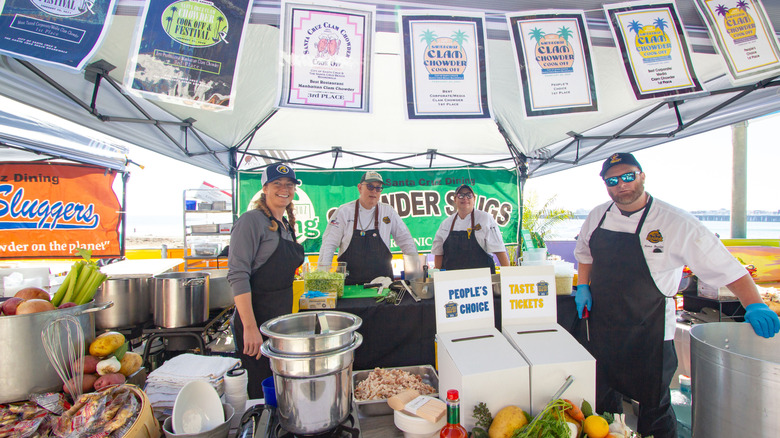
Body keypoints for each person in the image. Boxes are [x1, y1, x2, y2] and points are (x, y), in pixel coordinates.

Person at [574, 152, 779, 438]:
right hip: (603, 327)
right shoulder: (598, 215)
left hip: (651, 332)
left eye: (628, 176)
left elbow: (725, 266)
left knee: (653, 407)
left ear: (642, 176)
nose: (621, 184)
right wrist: (583, 285)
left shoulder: (676, 222)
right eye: (612, 180)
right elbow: (584, 253)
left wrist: (754, 304)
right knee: (603, 401)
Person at [227, 163, 304, 399]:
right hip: (255, 322)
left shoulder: (285, 225)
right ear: (265, 188)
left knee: (279, 388)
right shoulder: (251, 221)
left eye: (289, 185)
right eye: (277, 184)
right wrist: (250, 327)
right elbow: (238, 275)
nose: (284, 189)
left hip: (279, 322)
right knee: (260, 390)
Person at [318, 171, 419, 285]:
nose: (374, 191)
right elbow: (329, 245)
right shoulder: (344, 212)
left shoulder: (388, 212)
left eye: (378, 188)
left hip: (383, 284)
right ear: (360, 188)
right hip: (349, 284)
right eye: (370, 187)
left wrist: (415, 277)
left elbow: (406, 240)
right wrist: (322, 278)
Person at [430, 184, 510, 273]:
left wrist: (509, 276)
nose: (465, 198)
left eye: (469, 195)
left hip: (481, 281)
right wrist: (436, 275)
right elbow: (438, 253)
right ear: (455, 199)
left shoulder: (485, 218)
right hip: (453, 281)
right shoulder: (446, 224)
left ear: (474, 199)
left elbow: (499, 250)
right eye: (461, 195)